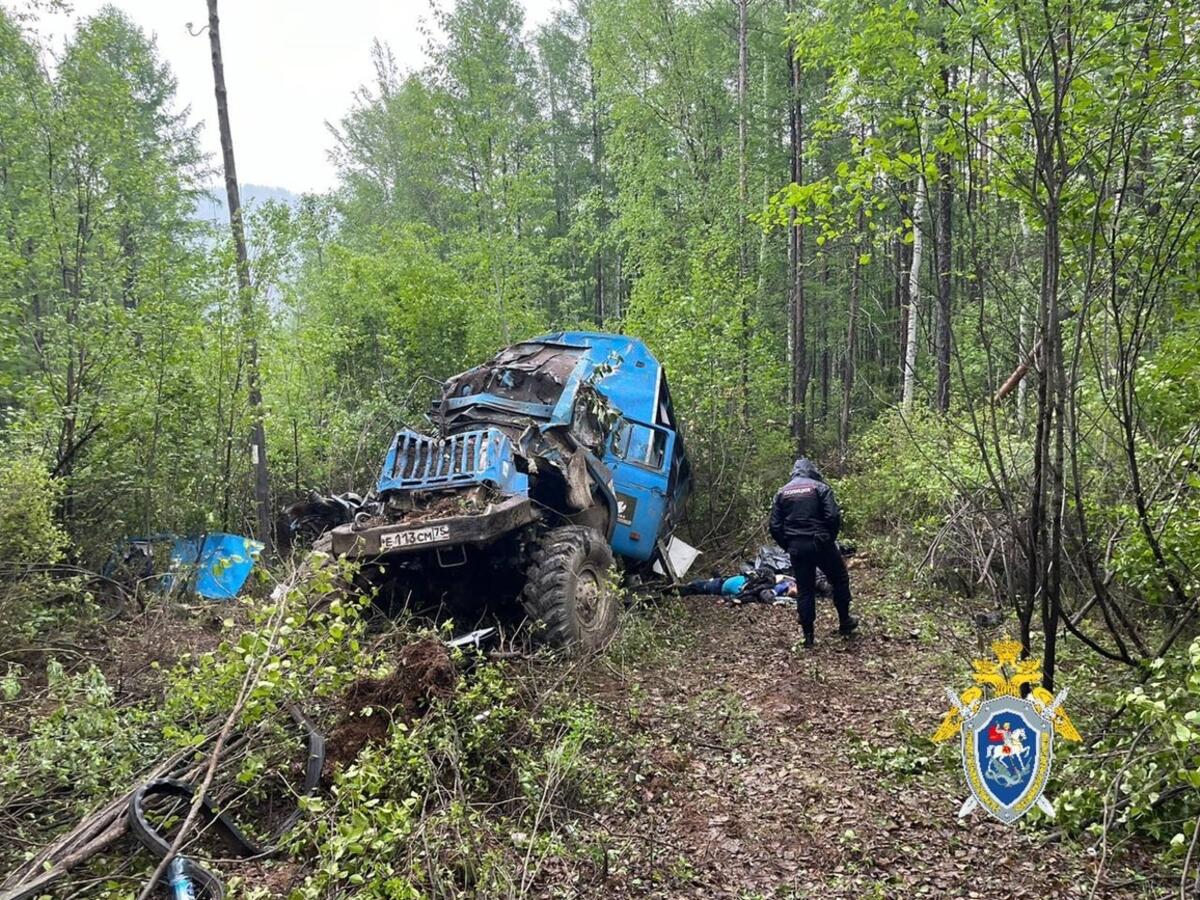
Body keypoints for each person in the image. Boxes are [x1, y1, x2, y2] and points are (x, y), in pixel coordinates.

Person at [768, 458, 856, 647]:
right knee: (839, 579)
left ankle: (808, 637)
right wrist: (829, 538)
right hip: (821, 543)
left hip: (797, 548)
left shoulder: (782, 492)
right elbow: (832, 516)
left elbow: (774, 526)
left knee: (805, 589)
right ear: (812, 470)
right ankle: (844, 621)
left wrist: (787, 544)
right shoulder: (820, 487)